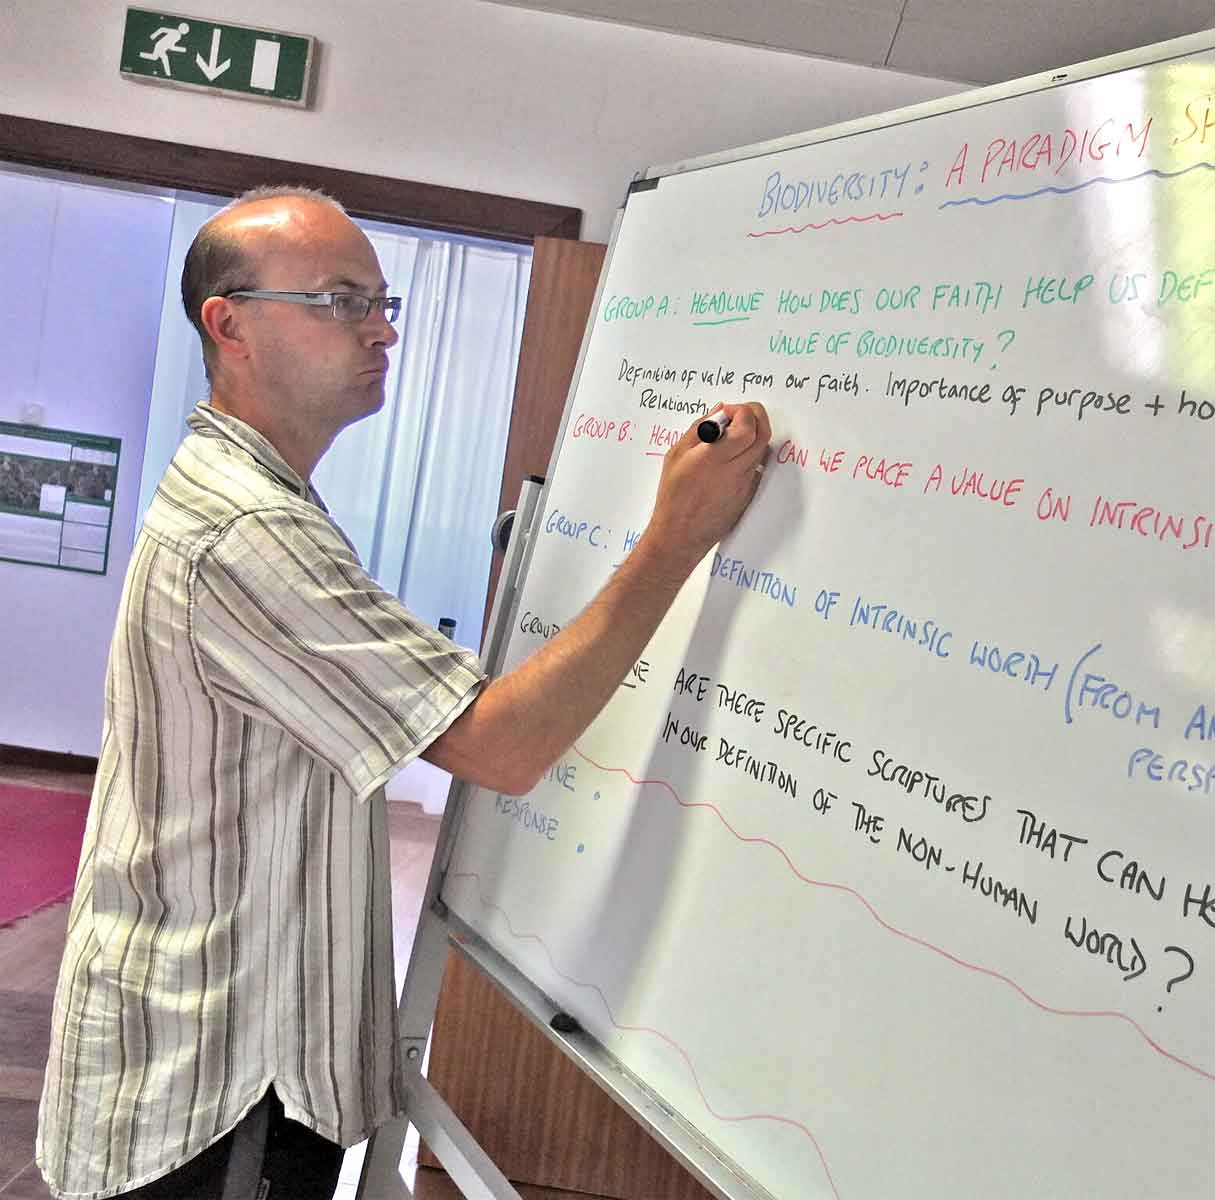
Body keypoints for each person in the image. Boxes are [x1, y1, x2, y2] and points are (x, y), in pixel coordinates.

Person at [36, 185, 770, 1199]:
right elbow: (502, 746)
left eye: (384, 304)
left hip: (210, 1049)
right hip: (219, 1077)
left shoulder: (254, 498)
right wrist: (674, 539)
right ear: (230, 324)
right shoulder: (247, 531)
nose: (381, 331)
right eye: (341, 301)